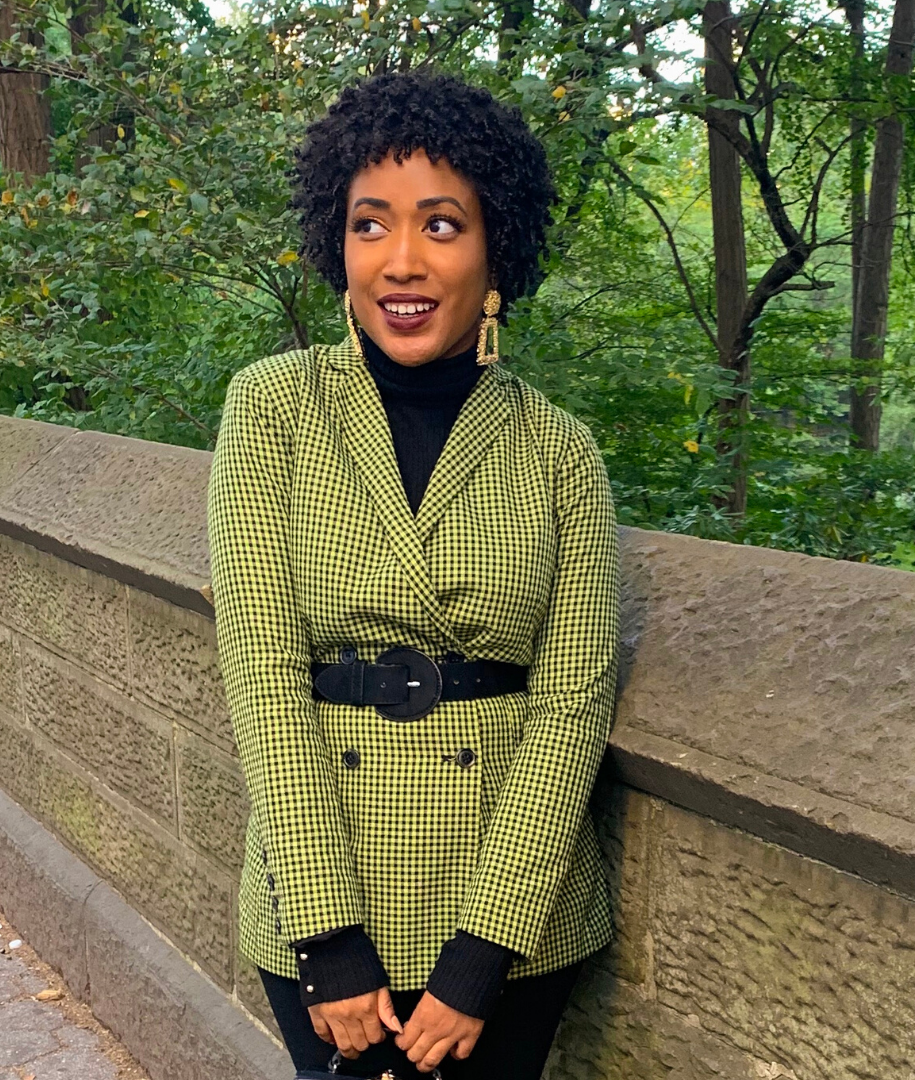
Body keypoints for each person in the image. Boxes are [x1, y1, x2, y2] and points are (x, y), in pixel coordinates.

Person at [208, 72, 617, 1080]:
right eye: (370, 225)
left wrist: (483, 956)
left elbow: (572, 704)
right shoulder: (273, 409)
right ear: (337, 246)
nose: (401, 261)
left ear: (494, 250)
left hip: (509, 911)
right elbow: (262, 672)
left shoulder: (560, 450)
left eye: (441, 225)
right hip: (324, 890)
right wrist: (327, 936)